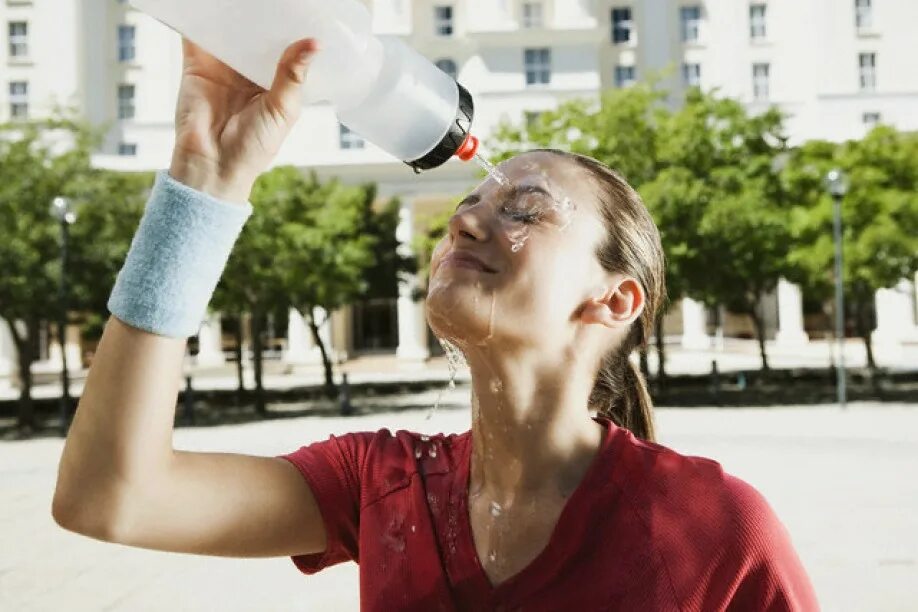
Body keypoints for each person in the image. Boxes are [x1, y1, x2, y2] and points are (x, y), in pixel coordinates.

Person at [51, 36, 819, 612]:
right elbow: (112, 496)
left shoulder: (713, 528)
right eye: (466, 209)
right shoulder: (378, 484)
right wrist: (204, 182)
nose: (467, 225)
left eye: (523, 211)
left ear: (614, 301)